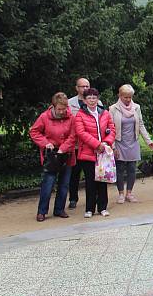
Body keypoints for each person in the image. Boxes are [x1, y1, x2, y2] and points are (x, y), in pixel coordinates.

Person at [29, 92, 77, 221]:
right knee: (48, 184)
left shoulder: (71, 117)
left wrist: (63, 148)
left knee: (64, 185)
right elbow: (34, 131)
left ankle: (59, 209)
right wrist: (45, 143)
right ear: (53, 106)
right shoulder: (44, 117)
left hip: (66, 154)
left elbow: (73, 136)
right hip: (51, 155)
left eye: (64, 108)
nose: (62, 112)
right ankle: (42, 211)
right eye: (59, 109)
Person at [73, 88, 116, 218]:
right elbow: (81, 132)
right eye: (89, 98)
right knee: (91, 181)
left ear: (98, 99)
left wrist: (106, 143)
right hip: (88, 153)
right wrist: (96, 145)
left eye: (94, 97)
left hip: (103, 152)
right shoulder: (80, 114)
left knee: (102, 180)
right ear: (85, 100)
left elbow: (112, 129)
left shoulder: (105, 113)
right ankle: (89, 208)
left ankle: (102, 207)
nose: (92, 100)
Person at [110, 85, 153, 204]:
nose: (128, 100)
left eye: (130, 97)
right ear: (119, 96)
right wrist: (113, 146)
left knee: (131, 169)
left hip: (133, 142)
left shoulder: (136, 107)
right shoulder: (113, 109)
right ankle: (120, 193)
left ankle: (129, 193)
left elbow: (140, 124)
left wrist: (148, 140)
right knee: (119, 169)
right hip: (119, 142)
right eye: (125, 97)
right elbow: (111, 128)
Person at [67, 77, 101, 209]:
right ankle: (73, 198)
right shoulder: (70, 103)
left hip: (92, 146)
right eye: (82, 86)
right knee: (74, 173)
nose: (85, 89)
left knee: (93, 174)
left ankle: (96, 198)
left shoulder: (97, 102)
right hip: (76, 145)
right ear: (77, 88)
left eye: (87, 86)